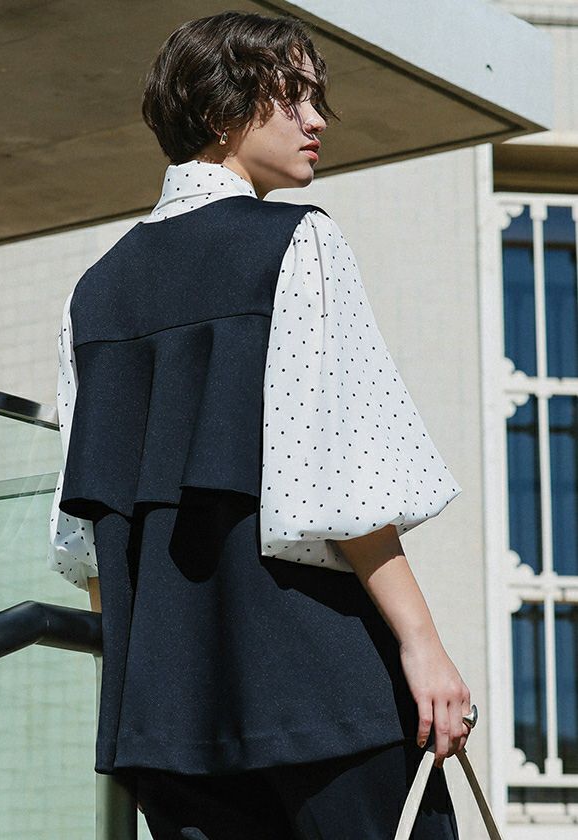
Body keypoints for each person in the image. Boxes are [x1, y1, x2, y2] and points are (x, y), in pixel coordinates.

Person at [47, 10, 472, 839]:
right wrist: (424, 646)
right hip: (320, 689)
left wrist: (143, 684)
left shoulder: (94, 291)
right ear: (220, 111)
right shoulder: (295, 244)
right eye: (294, 98)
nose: (317, 122)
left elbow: (86, 537)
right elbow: (342, 477)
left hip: (164, 718)